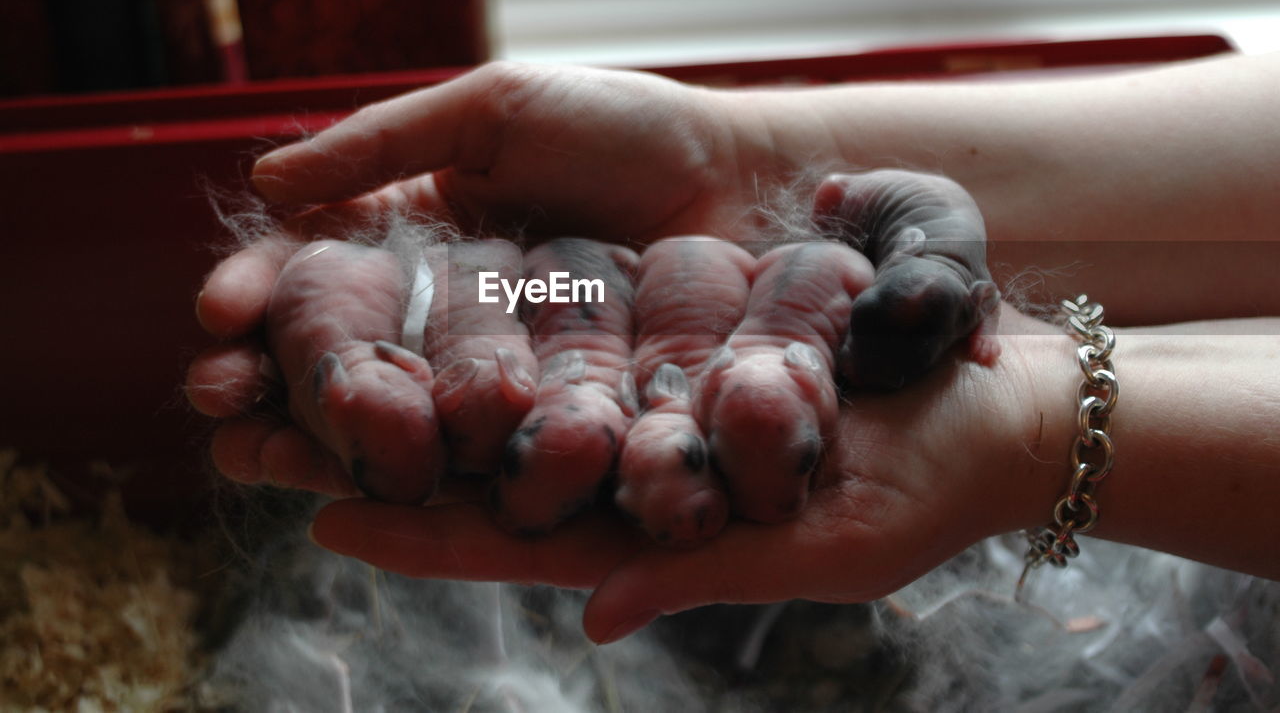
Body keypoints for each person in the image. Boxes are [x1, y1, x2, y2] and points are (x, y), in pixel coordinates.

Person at [188, 51, 1280, 644]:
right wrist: (744, 154)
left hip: (618, 308)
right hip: (574, 291)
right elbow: (555, 292)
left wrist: (1028, 425)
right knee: (538, 287)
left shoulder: (750, 332)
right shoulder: (585, 306)